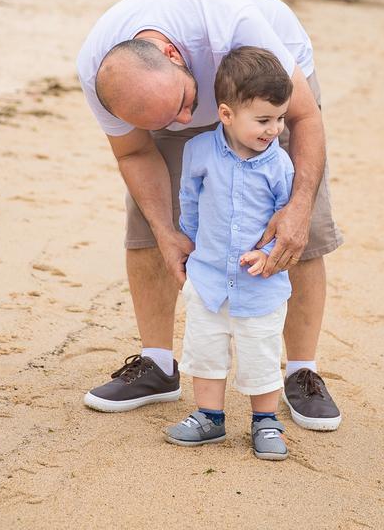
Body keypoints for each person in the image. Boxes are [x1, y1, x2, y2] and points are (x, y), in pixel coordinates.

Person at [75, 0, 343, 431]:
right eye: (169, 119)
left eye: (183, 105)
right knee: (147, 224)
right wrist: (166, 231)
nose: (184, 121)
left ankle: (302, 370)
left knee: (299, 228)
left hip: (261, 81)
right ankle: (157, 365)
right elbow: (136, 151)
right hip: (167, 90)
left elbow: (304, 117)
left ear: (174, 54)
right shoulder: (101, 73)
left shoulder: (229, 21)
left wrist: (297, 209)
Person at [164, 47, 295, 460]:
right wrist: (188, 240)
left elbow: (286, 218)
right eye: (263, 120)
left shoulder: (280, 165)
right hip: (208, 279)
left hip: (260, 286)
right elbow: (189, 196)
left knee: (260, 353)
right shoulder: (199, 151)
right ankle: (209, 417)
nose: (273, 129)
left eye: (280, 119)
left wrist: (269, 252)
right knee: (205, 351)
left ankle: (265, 422)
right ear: (226, 114)